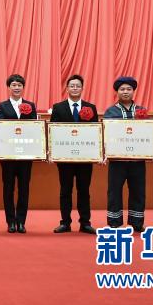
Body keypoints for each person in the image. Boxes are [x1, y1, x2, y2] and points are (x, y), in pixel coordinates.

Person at [49, 74, 98, 234]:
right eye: (72, 86)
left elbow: (95, 132)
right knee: (65, 190)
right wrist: (53, 152)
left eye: (78, 86)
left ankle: (85, 223)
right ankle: (65, 222)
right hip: (65, 158)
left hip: (85, 158)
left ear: (82, 88)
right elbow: (53, 132)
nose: (75, 88)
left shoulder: (91, 108)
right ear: (67, 88)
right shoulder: (58, 107)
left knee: (84, 191)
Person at [103, 76, 148, 232]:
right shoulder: (111, 111)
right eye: (122, 89)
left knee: (138, 191)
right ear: (117, 92)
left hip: (137, 160)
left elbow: (147, 133)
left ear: (133, 91)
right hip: (117, 160)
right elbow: (107, 134)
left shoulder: (141, 110)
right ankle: (114, 221)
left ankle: (137, 222)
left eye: (129, 89)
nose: (125, 92)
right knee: (114, 191)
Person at [0, 74, 37, 234]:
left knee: (24, 188)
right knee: (8, 188)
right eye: (13, 85)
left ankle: (21, 221)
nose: (17, 87)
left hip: (26, 154)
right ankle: (11, 221)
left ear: (23, 87)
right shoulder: (2, 106)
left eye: (19, 85)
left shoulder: (30, 105)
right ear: (9, 87)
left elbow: (34, 128)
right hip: (8, 155)